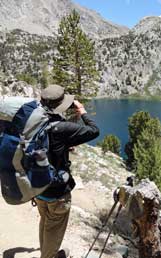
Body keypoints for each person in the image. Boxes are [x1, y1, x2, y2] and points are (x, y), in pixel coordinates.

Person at [35, 84, 100, 258]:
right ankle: (48, 256)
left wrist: (61, 148)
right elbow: (94, 131)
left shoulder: (35, 121)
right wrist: (82, 111)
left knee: (46, 221)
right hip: (56, 192)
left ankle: (47, 252)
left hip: (37, 186)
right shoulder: (61, 128)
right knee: (54, 226)